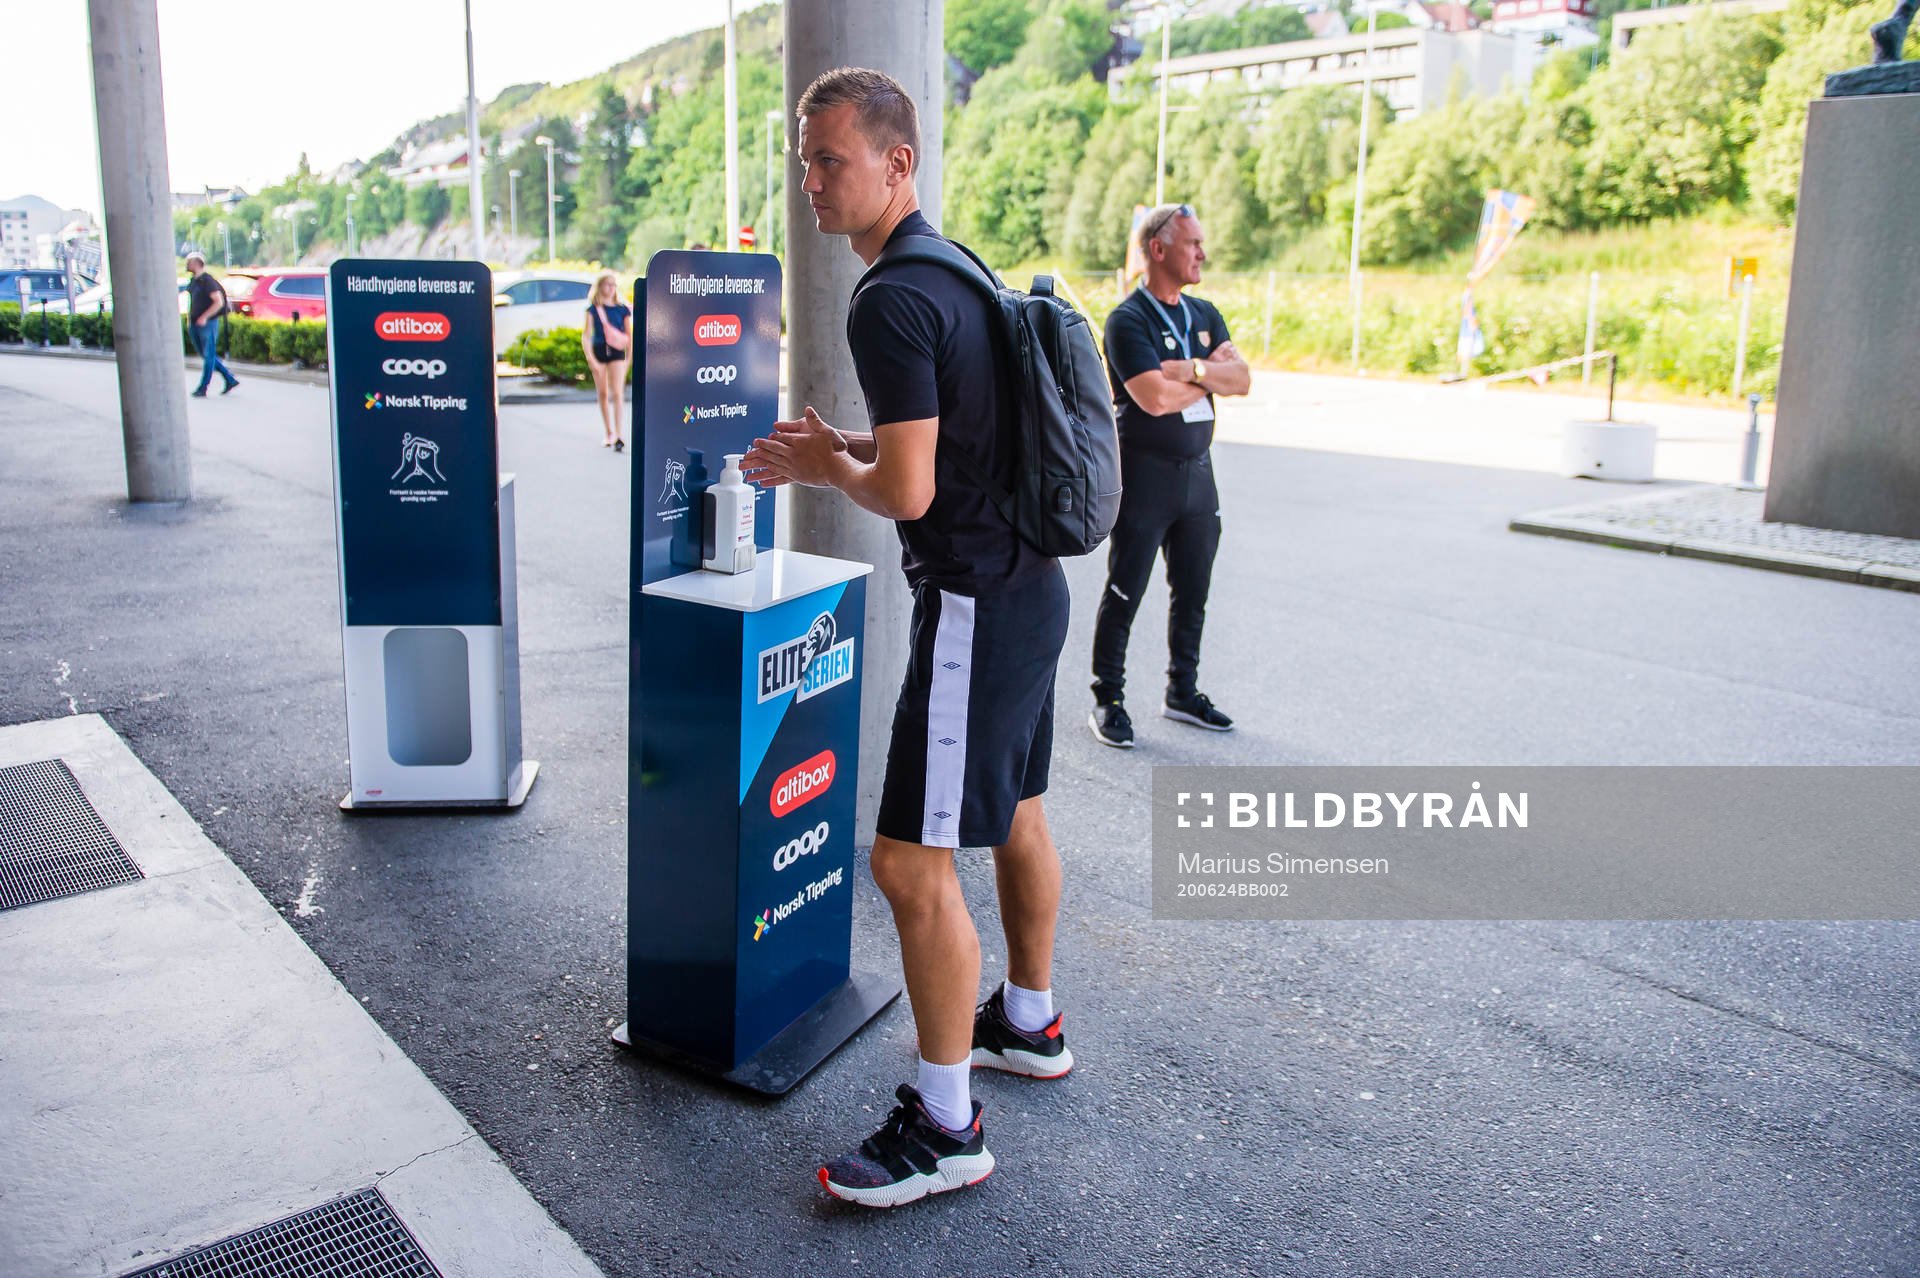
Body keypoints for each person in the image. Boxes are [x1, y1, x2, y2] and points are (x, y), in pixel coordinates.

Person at [743, 66, 1074, 1209]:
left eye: (831, 159)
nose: (811, 181)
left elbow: (909, 490)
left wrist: (826, 467)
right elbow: (946, 443)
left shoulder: (887, 299)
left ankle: (945, 1127)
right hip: (1032, 590)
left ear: (897, 163)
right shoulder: (953, 268)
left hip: (975, 605)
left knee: (905, 862)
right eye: (805, 160)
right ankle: (1027, 1020)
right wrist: (843, 446)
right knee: (1018, 813)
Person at [1087, 203, 1251, 749]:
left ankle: (1183, 691)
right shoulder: (1127, 320)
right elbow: (1153, 398)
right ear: (1158, 249)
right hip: (1145, 477)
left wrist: (1192, 370)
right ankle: (1108, 698)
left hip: (1198, 477)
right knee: (1125, 590)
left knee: (1193, 590)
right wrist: (1211, 375)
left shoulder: (1204, 312)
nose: (1203, 252)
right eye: (1193, 243)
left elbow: (1242, 379)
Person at [581, 272, 632, 451]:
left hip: (617, 353)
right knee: (603, 393)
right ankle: (608, 432)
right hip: (599, 352)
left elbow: (629, 336)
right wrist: (591, 359)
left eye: (613, 285)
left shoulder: (622, 309)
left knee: (617, 393)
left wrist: (628, 359)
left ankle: (619, 434)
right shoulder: (592, 310)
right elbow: (586, 336)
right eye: (607, 284)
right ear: (600, 286)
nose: (611, 288)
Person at [184, 253, 238, 398]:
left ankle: (203, 387)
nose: (187, 264)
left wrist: (204, 317)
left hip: (208, 323)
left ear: (197, 263)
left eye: (189, 262)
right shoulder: (194, 281)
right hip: (195, 323)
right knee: (207, 355)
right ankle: (229, 379)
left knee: (209, 355)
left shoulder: (207, 281)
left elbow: (218, 301)